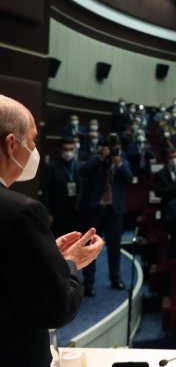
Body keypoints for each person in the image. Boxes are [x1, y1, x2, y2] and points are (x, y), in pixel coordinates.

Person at [0, 95, 104, 367]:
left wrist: (44, 258)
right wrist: (69, 262)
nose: (34, 150)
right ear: (11, 144)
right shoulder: (21, 212)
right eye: (32, 140)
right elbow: (58, 308)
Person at [78, 137, 134, 296]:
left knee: (115, 247)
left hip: (114, 211)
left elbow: (129, 178)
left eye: (117, 148)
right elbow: (82, 171)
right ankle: (89, 283)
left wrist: (118, 163)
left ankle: (115, 278)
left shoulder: (123, 162)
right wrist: (100, 158)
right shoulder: (96, 160)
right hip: (94, 210)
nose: (114, 151)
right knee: (90, 248)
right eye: (112, 148)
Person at [44, 137, 82, 237]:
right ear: (60, 150)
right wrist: (48, 213)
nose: (68, 152)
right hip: (58, 211)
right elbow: (46, 191)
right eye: (65, 149)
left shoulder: (80, 166)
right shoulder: (51, 167)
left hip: (76, 209)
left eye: (71, 149)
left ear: (75, 150)